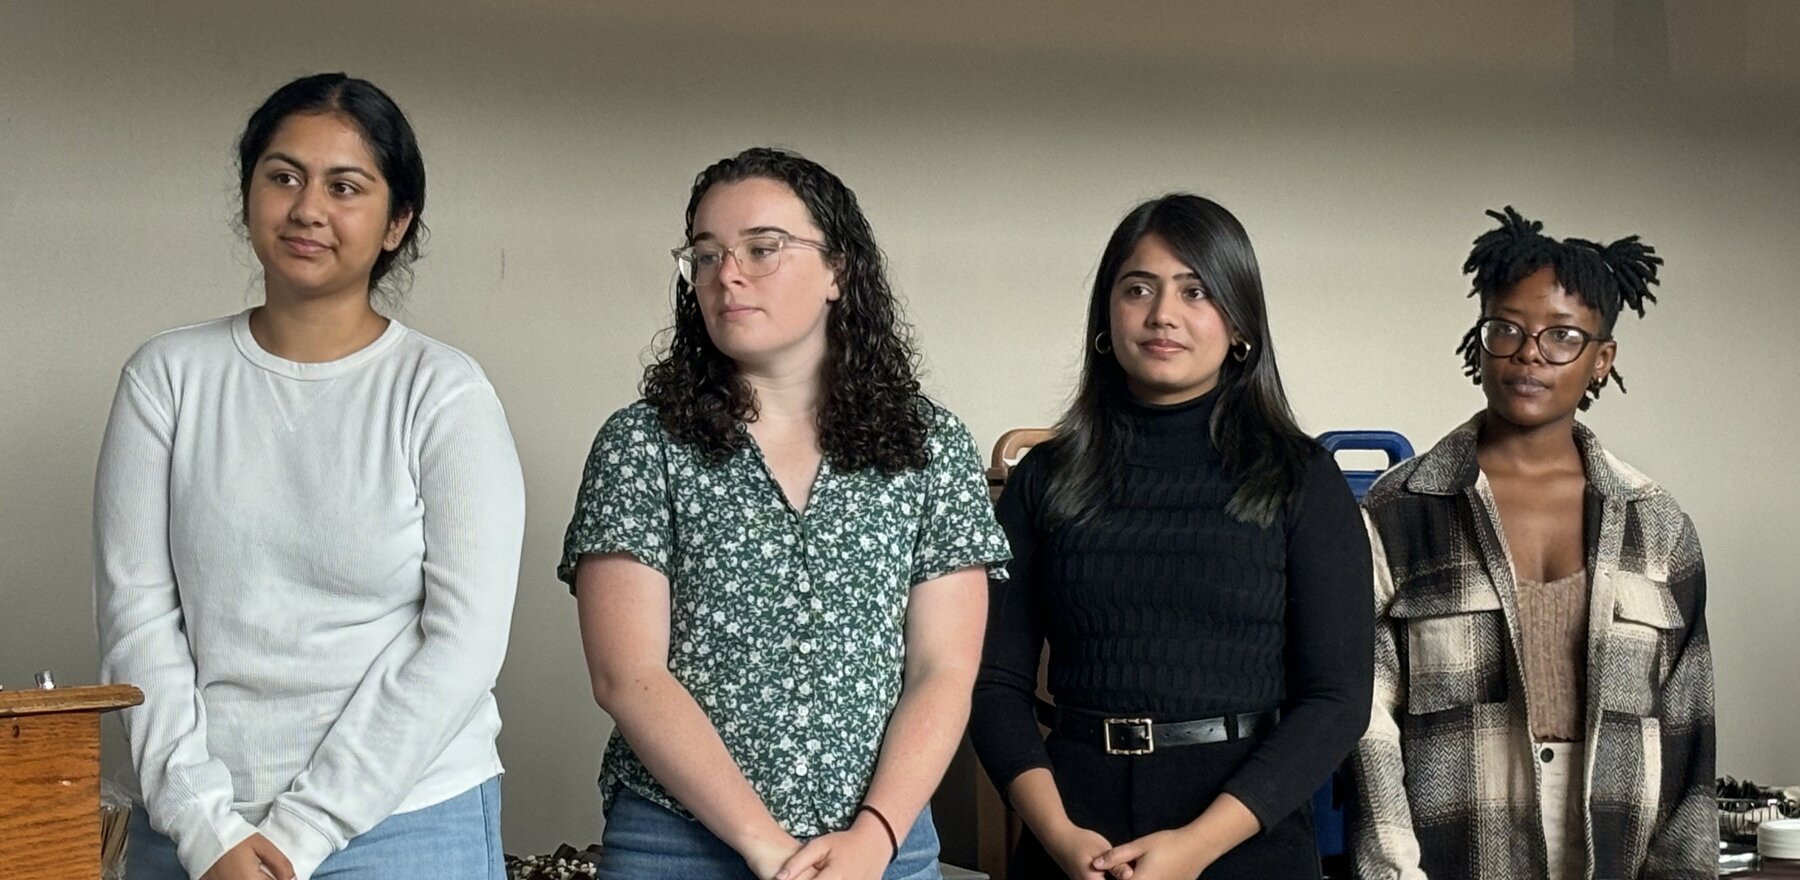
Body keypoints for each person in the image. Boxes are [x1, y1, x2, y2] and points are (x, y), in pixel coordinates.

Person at [95, 73, 525, 880]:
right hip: (194, 827)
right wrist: (202, 825)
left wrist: (303, 832)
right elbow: (137, 616)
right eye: (283, 176)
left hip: (405, 821)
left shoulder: (444, 393)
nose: (307, 208)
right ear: (250, 192)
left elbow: (462, 645)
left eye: (345, 186)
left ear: (397, 222)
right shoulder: (167, 377)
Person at [558, 147, 1011, 880]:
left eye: (762, 249)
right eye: (704, 256)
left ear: (839, 270)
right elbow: (627, 673)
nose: (726, 275)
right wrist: (762, 843)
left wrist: (875, 836)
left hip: (882, 846)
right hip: (678, 842)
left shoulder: (930, 445)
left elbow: (944, 668)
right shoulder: (641, 443)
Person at [970, 194, 1372, 880]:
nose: (1163, 315)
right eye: (1138, 289)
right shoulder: (1044, 478)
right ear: (1106, 316)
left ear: (1240, 324)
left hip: (1243, 841)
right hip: (1072, 837)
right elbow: (989, 681)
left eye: (1197, 291)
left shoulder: (1300, 477)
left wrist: (1194, 849)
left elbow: (1336, 701)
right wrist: (1062, 838)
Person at [1350, 207, 1715, 879]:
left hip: (1614, 841)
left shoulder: (1657, 525)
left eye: (1562, 337)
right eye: (1506, 330)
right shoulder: (1397, 512)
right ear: (1477, 341)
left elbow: (1688, 734)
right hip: (1457, 845)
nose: (1528, 354)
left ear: (1602, 360)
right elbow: (1366, 722)